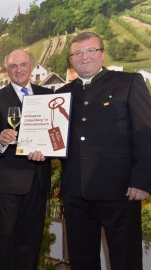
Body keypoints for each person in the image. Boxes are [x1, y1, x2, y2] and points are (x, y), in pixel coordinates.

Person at [56, 32, 151, 270]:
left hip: (120, 190)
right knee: (81, 259)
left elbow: (145, 132)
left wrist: (142, 180)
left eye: (90, 51)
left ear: (102, 54)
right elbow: (53, 138)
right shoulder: (61, 94)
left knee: (125, 259)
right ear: (71, 59)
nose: (84, 57)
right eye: (77, 53)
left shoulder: (128, 82)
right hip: (75, 190)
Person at [0, 49, 52, 270]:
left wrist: (49, 149)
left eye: (23, 65)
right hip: (9, 182)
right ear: (7, 69)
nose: (18, 70)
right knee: (6, 238)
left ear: (31, 66)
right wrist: (1, 140)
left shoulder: (46, 95)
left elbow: (54, 132)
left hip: (38, 179)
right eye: (13, 66)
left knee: (31, 240)